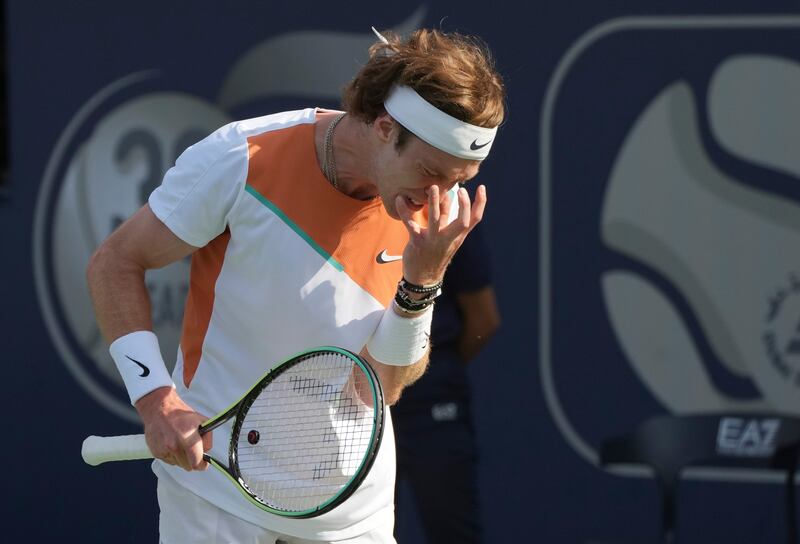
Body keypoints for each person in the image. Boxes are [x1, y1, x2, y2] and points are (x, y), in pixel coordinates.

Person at [86, 27, 505, 544]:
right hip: (214, 498)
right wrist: (155, 400)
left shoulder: (430, 219)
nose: (440, 197)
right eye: (430, 172)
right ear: (382, 127)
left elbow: (383, 387)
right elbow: (115, 262)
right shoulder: (244, 157)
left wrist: (424, 278)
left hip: (351, 514)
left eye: (460, 179)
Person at [392, 217, 500, 544]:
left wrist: (426, 368)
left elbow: (485, 319)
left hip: (433, 403)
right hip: (362, 405)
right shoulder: (349, 193)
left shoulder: (452, 211)